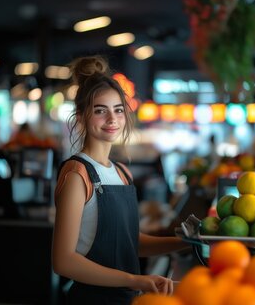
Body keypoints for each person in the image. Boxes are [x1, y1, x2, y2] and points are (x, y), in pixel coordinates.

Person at [52, 56, 188, 304]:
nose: (112, 119)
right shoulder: (77, 174)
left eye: (118, 110)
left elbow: (129, 242)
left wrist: (186, 242)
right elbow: (63, 261)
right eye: (100, 111)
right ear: (81, 117)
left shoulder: (122, 172)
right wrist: (134, 280)